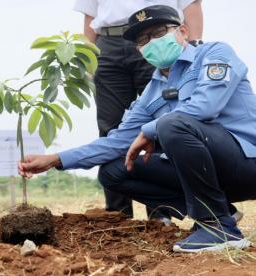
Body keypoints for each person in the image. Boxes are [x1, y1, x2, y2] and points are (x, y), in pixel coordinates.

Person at [18, 5, 255, 253]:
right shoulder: (151, 92)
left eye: (159, 32)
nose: (151, 42)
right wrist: (55, 159)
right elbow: (116, 141)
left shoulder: (214, 53)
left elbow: (205, 107)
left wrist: (150, 130)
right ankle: (219, 211)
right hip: (209, 174)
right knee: (113, 171)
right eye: (143, 39)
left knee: (170, 125)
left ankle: (220, 230)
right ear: (139, 50)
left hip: (247, 162)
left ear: (183, 32)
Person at [73, 0, 204, 219]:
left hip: (160, 37)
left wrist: (194, 45)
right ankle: (118, 214)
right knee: (110, 127)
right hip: (109, 42)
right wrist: (87, 58)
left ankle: (161, 216)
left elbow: (192, 4)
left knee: (164, 123)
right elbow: (89, 14)